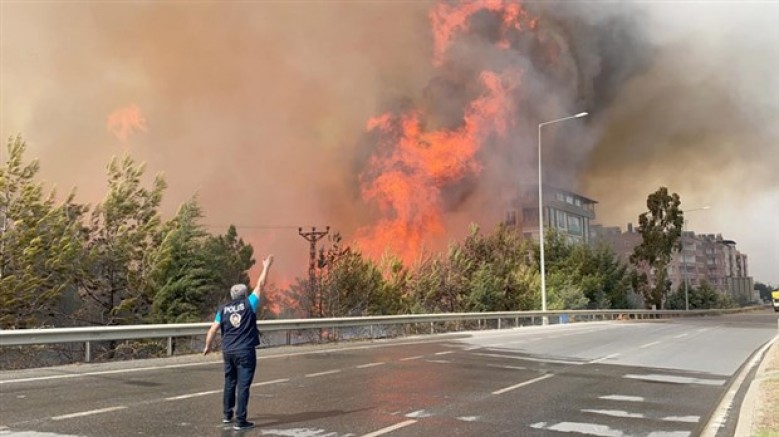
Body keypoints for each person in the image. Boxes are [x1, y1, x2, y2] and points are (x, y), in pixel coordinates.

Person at [203, 255, 273, 431]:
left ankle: (227, 415)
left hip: (228, 351)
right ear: (244, 294)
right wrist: (266, 266)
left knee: (229, 383)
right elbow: (260, 285)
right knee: (243, 386)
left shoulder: (223, 309)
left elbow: (212, 329)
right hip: (245, 352)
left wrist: (208, 346)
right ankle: (241, 421)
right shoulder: (249, 304)